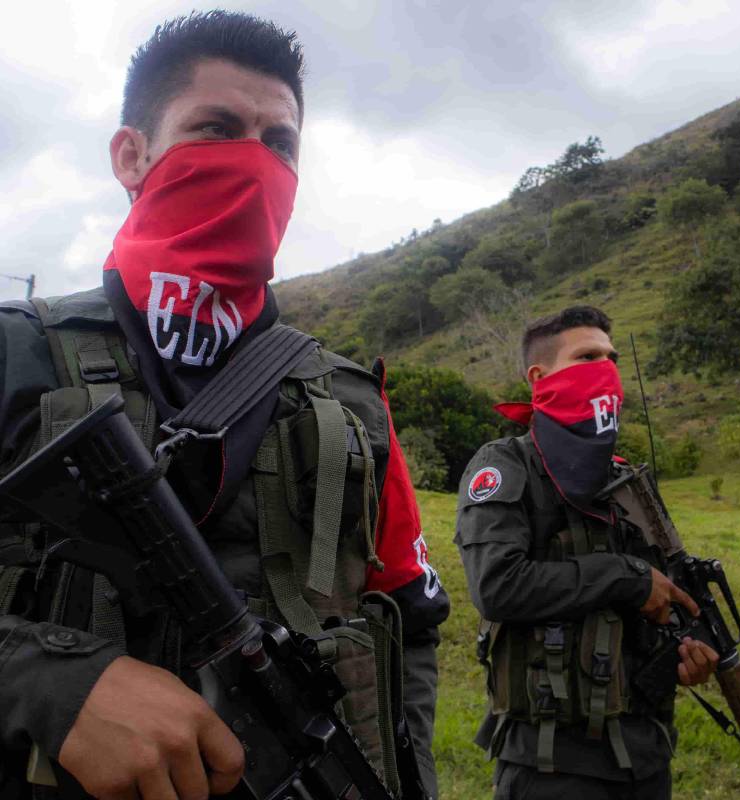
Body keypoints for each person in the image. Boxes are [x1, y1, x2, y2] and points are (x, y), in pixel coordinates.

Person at [0, 12, 449, 800]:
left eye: (280, 144)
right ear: (131, 155)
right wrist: (47, 681)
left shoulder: (349, 400)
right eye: (217, 128)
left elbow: (405, 624)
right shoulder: (16, 351)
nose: (254, 161)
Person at [455, 306, 718, 800]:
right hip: (552, 764)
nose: (606, 370)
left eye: (611, 358)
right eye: (588, 356)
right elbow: (497, 585)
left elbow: (662, 595)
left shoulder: (626, 478)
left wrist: (687, 654)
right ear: (540, 376)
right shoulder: (505, 465)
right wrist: (625, 578)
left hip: (645, 754)